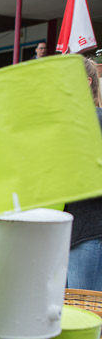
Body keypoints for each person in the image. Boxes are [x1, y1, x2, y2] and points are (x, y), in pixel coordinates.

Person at [64, 57, 102, 291]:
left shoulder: (88, 119)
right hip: (80, 230)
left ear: (87, 82)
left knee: (85, 312)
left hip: (88, 230)